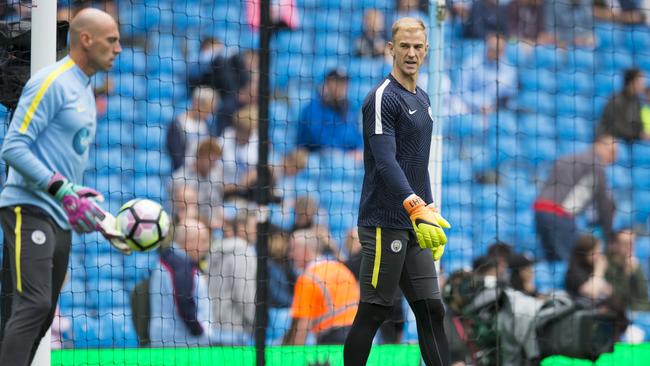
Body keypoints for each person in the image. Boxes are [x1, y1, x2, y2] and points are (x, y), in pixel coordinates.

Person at [0, 8, 121, 365]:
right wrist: (62, 191)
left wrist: (102, 221)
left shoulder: (84, 92)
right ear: (86, 39)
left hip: (57, 215)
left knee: (44, 313)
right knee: (32, 304)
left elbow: (65, 171)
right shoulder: (51, 81)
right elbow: (13, 146)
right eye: (111, 40)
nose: (118, 49)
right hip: (27, 206)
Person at [343, 18, 452, 366]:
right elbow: (386, 161)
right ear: (390, 49)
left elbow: (417, 164)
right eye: (404, 46)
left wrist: (429, 208)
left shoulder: (423, 98)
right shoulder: (381, 99)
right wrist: (414, 204)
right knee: (375, 311)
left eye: (418, 47)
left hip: (415, 223)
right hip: (383, 222)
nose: (411, 53)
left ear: (427, 51)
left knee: (432, 309)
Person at [533, 133, 617, 261]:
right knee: (571, 261)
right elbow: (604, 205)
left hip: (540, 211)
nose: (613, 158)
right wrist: (609, 236)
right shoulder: (596, 166)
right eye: (612, 152)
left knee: (551, 262)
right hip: (560, 214)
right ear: (599, 145)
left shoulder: (567, 158)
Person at [283, 229, 359, 345]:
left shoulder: (307, 279)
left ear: (305, 250)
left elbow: (303, 326)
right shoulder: (341, 269)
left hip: (332, 341)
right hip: (360, 336)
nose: (290, 254)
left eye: (293, 249)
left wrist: (294, 356)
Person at [149, 217, 213, 346]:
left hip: (172, 341)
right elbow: (184, 303)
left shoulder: (172, 259)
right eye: (204, 241)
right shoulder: (179, 265)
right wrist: (199, 331)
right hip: (181, 343)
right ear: (189, 242)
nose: (207, 246)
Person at [208, 209, 257, 345]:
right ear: (241, 227)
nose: (258, 231)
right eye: (255, 227)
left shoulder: (215, 248)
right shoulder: (243, 251)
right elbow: (244, 295)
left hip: (214, 329)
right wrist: (256, 323)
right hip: (237, 331)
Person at [564, 234, 628, 338]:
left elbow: (607, 289)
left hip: (600, 308)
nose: (599, 255)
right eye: (596, 252)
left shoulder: (591, 267)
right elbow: (592, 292)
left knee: (616, 304)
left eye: (600, 251)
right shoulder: (574, 271)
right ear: (585, 252)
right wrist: (599, 271)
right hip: (581, 310)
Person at [296, 68, 363, 154]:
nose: (342, 86)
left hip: (347, 160)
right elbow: (320, 140)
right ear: (328, 83)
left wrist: (358, 152)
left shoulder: (350, 109)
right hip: (316, 157)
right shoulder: (313, 108)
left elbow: (357, 138)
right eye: (338, 82)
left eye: (344, 82)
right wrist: (346, 154)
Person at [170, 138, 224, 230]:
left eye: (215, 161)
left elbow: (218, 206)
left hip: (214, 227)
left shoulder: (215, 176)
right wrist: (208, 223)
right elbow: (182, 214)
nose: (214, 165)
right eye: (211, 161)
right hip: (187, 226)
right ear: (200, 156)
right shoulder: (179, 178)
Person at [460, 33, 517, 115]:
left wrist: (495, 106)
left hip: (498, 112)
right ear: (487, 47)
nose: (495, 52)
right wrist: (480, 104)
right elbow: (460, 91)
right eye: (492, 48)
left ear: (503, 51)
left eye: (499, 49)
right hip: (471, 109)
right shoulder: (472, 63)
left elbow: (510, 97)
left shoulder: (510, 70)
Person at [166, 86, 219, 172]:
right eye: (208, 109)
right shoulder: (178, 125)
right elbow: (177, 160)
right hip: (184, 174)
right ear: (197, 103)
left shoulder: (208, 124)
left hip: (206, 173)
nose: (210, 114)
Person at [597, 68, 649, 142]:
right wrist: (638, 135)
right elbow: (616, 128)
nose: (643, 85)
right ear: (632, 82)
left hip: (630, 141)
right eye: (640, 81)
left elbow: (638, 125)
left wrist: (642, 134)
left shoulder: (636, 101)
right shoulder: (616, 101)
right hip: (611, 140)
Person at [605, 229, 650, 311]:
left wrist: (636, 272)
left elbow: (643, 295)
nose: (631, 247)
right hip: (618, 311)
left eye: (633, 243)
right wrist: (627, 274)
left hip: (638, 309)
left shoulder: (634, 263)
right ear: (615, 245)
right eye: (626, 243)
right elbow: (619, 297)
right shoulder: (606, 264)